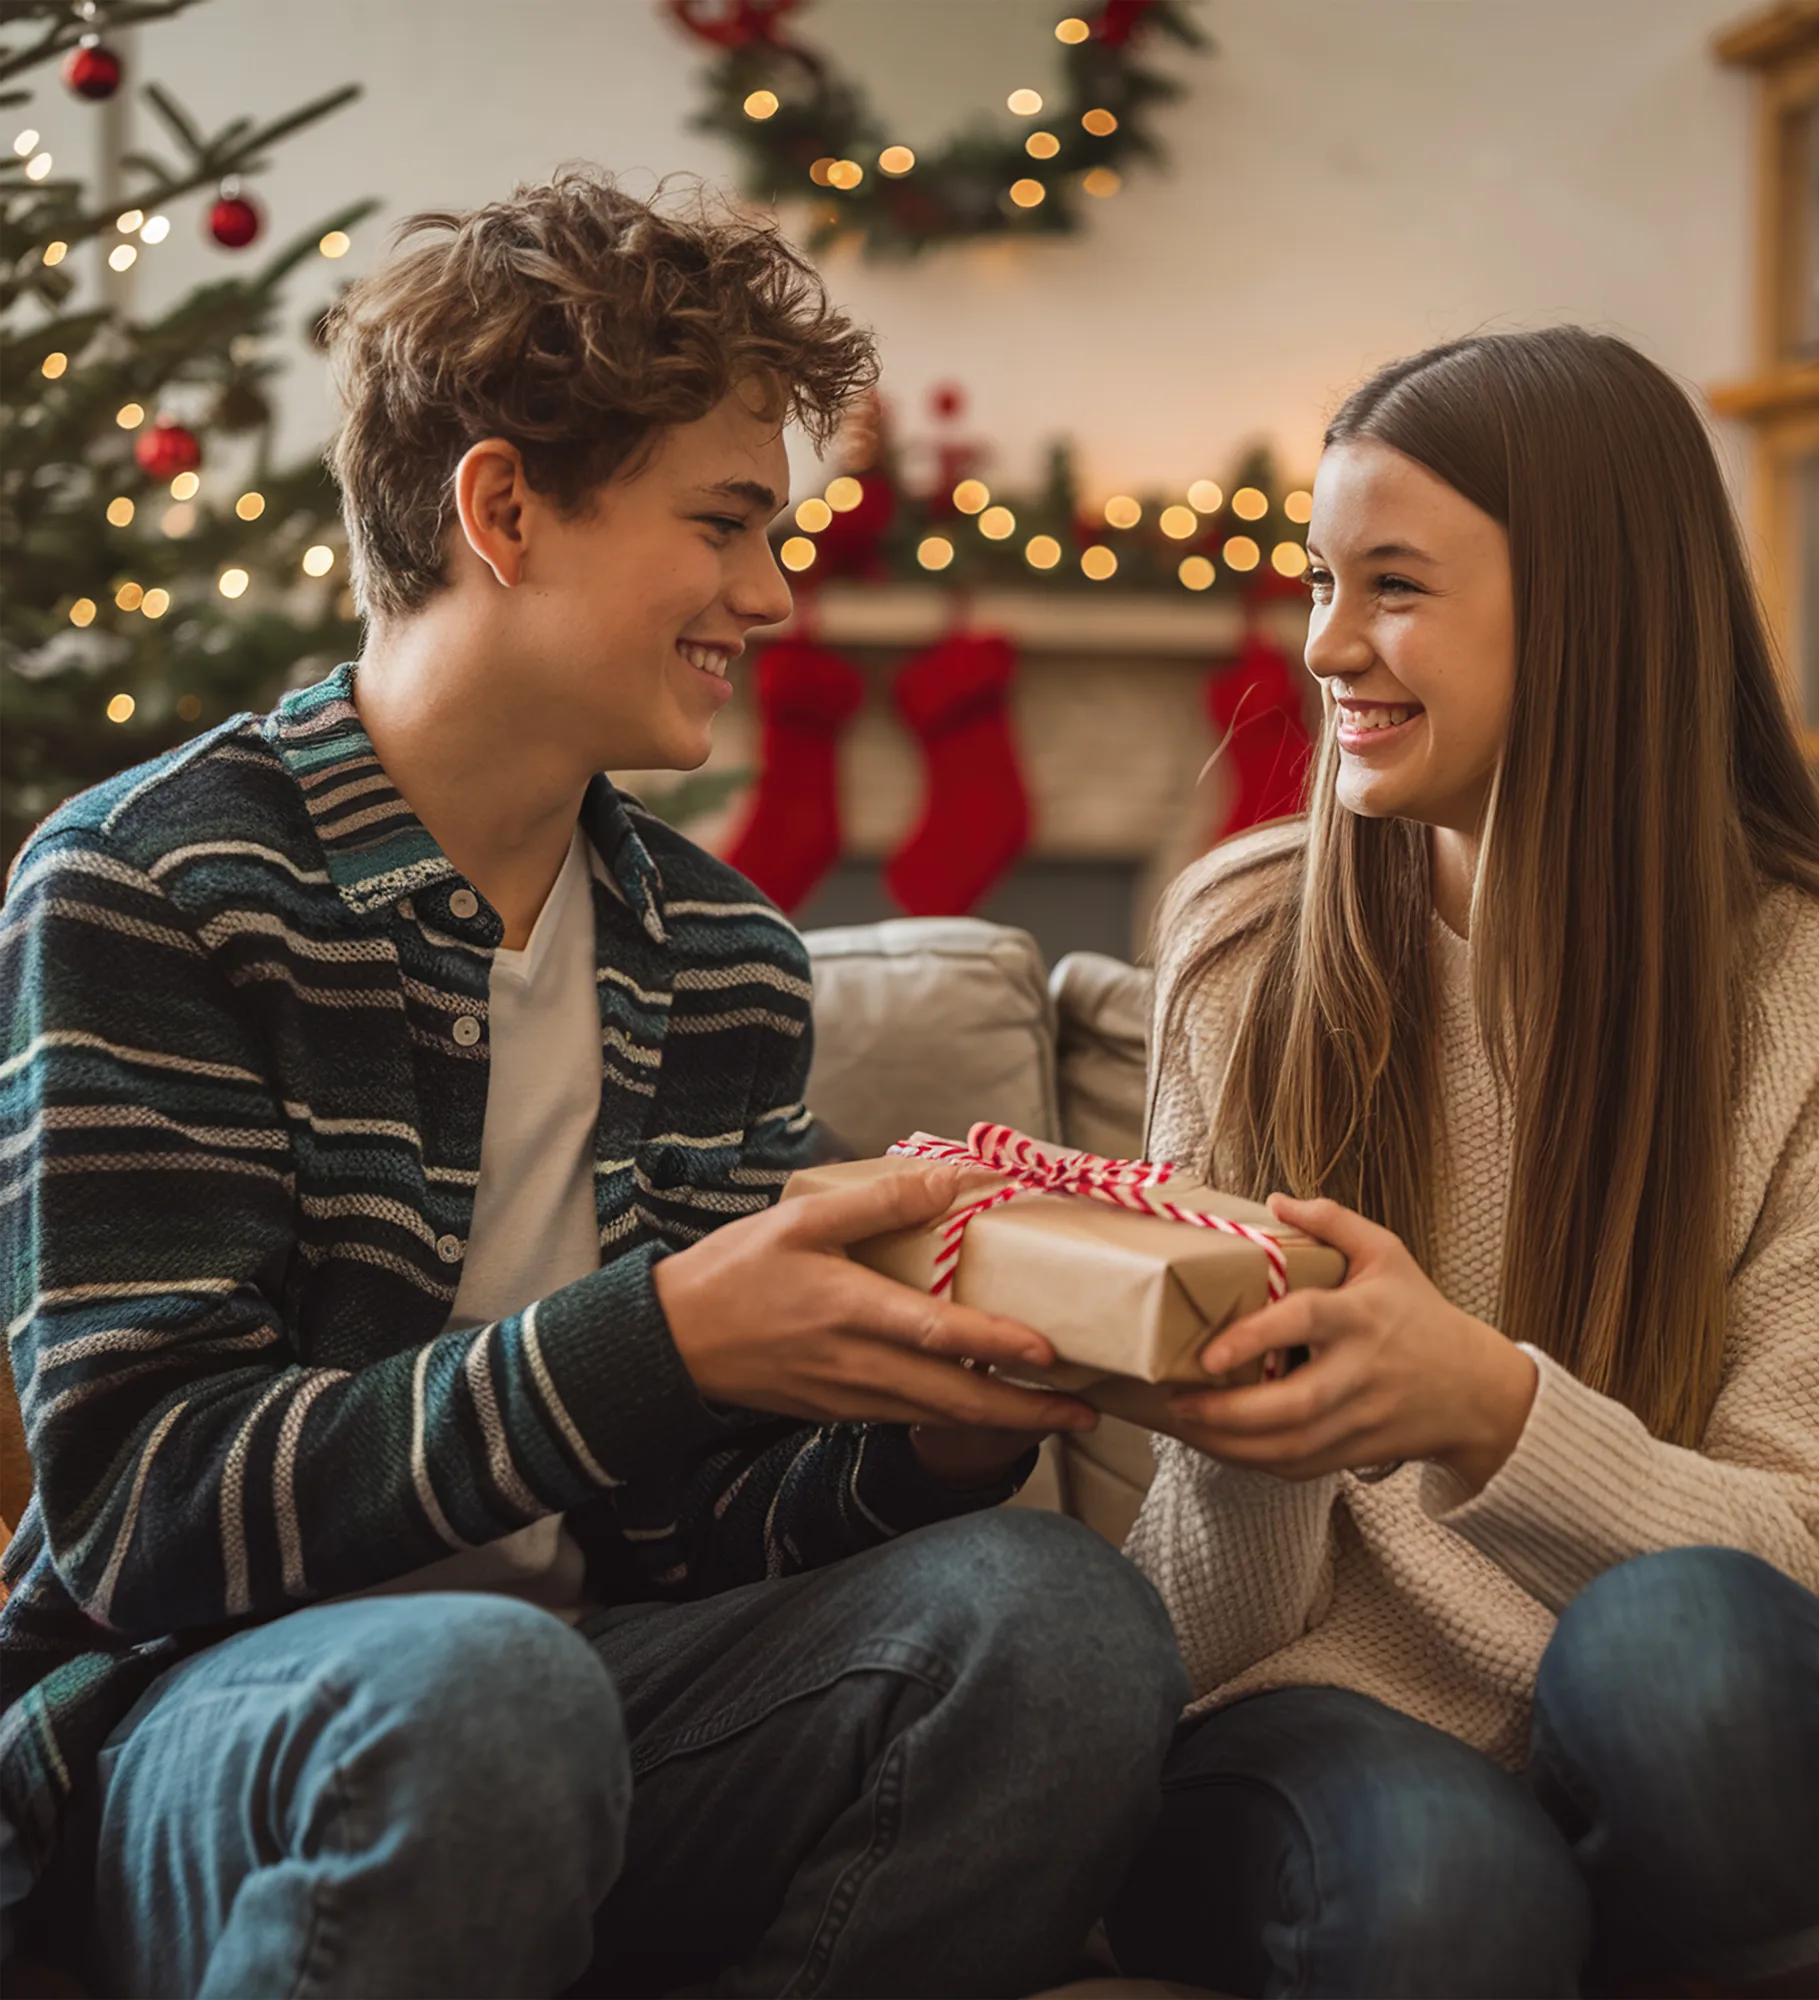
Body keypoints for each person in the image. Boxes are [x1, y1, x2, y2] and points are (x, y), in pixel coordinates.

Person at [0, 171, 1188, 2000]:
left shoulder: (715, 956)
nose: (772, 597)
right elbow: (142, 1507)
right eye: (725, 524)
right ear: (503, 508)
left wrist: (948, 1426)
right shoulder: (154, 884)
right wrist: (670, 1337)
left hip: (600, 1700)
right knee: (483, 1692)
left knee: (1062, 1623)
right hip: (212, 1736)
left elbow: (672, 1530)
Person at [1103, 327, 1819, 2000]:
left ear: (1591, 612)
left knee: (1680, 1651)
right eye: (1320, 581)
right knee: (1443, 1898)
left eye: (1396, 587)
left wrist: (1485, 1408)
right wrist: (1256, 1431)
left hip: (1696, 1735)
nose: (1327, 645)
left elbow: (1807, 1584)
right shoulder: (1245, 942)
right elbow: (1203, 1633)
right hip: (1325, 1728)